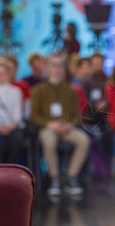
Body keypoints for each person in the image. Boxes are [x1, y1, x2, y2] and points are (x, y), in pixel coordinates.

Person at [31, 53, 90, 196]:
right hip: (47, 127)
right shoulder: (39, 90)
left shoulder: (71, 90)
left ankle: (71, 177)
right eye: (54, 65)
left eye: (60, 66)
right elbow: (34, 115)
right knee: (49, 141)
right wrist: (49, 124)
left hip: (67, 127)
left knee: (84, 140)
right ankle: (55, 178)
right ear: (49, 67)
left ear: (64, 69)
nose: (57, 69)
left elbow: (77, 115)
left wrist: (69, 125)